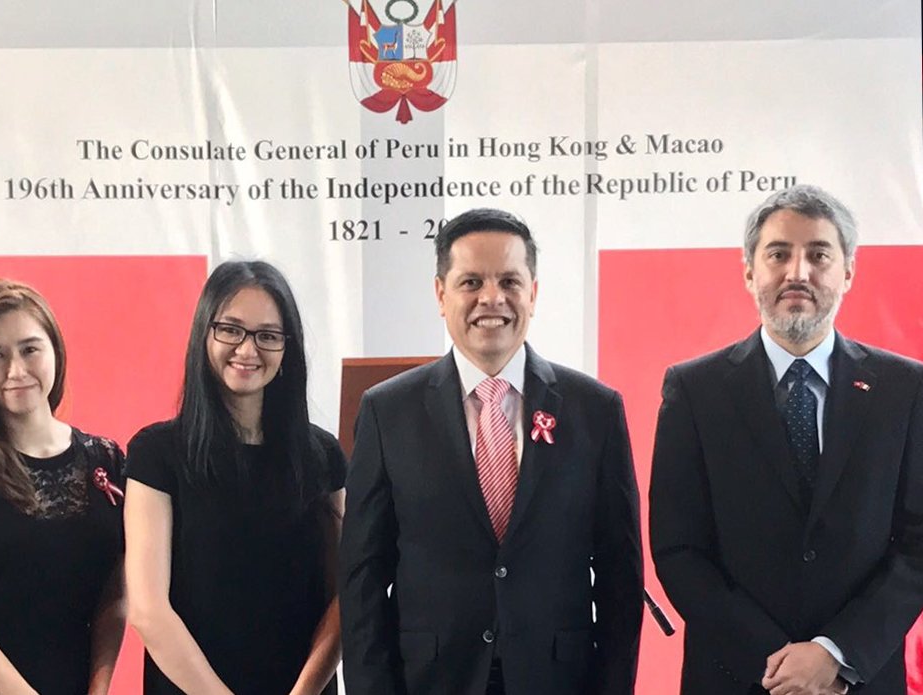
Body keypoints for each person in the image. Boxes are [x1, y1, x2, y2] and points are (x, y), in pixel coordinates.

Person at [339, 208, 644, 695]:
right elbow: (362, 578)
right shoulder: (387, 411)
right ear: (440, 294)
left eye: (509, 281)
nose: (491, 298)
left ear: (533, 293)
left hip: (558, 679)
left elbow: (620, 576)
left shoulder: (595, 410)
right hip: (430, 680)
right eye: (471, 282)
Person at [650, 184, 923, 694]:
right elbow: (678, 548)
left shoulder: (905, 389)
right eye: (778, 254)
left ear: (848, 272)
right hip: (733, 677)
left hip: (857, 679)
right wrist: (778, 665)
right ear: (749, 271)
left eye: (819, 254)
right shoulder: (694, 390)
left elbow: (917, 545)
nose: (798, 272)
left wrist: (835, 655)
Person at [124, 260, 346, 694]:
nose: (247, 349)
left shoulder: (322, 456)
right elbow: (149, 611)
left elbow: (344, 597)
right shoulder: (156, 454)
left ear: (287, 348)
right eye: (231, 330)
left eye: (268, 335)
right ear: (204, 334)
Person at [0, 278, 126, 694]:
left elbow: (114, 596)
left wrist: (100, 687)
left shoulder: (106, 459)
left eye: (29, 349)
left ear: (55, 350)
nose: (15, 370)